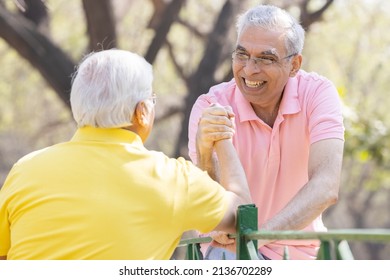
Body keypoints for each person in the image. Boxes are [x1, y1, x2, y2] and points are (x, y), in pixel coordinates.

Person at [0, 49, 252, 260]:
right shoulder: (172, 179)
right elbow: (244, 216)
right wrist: (221, 138)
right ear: (141, 111)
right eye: (151, 98)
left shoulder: (25, 169)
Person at [188, 5, 344, 260]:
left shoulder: (317, 93)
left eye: (266, 58)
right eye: (242, 55)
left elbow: (326, 185)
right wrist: (205, 153)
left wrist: (258, 235)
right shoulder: (210, 106)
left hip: (301, 255)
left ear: (294, 65)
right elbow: (211, 205)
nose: (249, 70)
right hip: (232, 253)